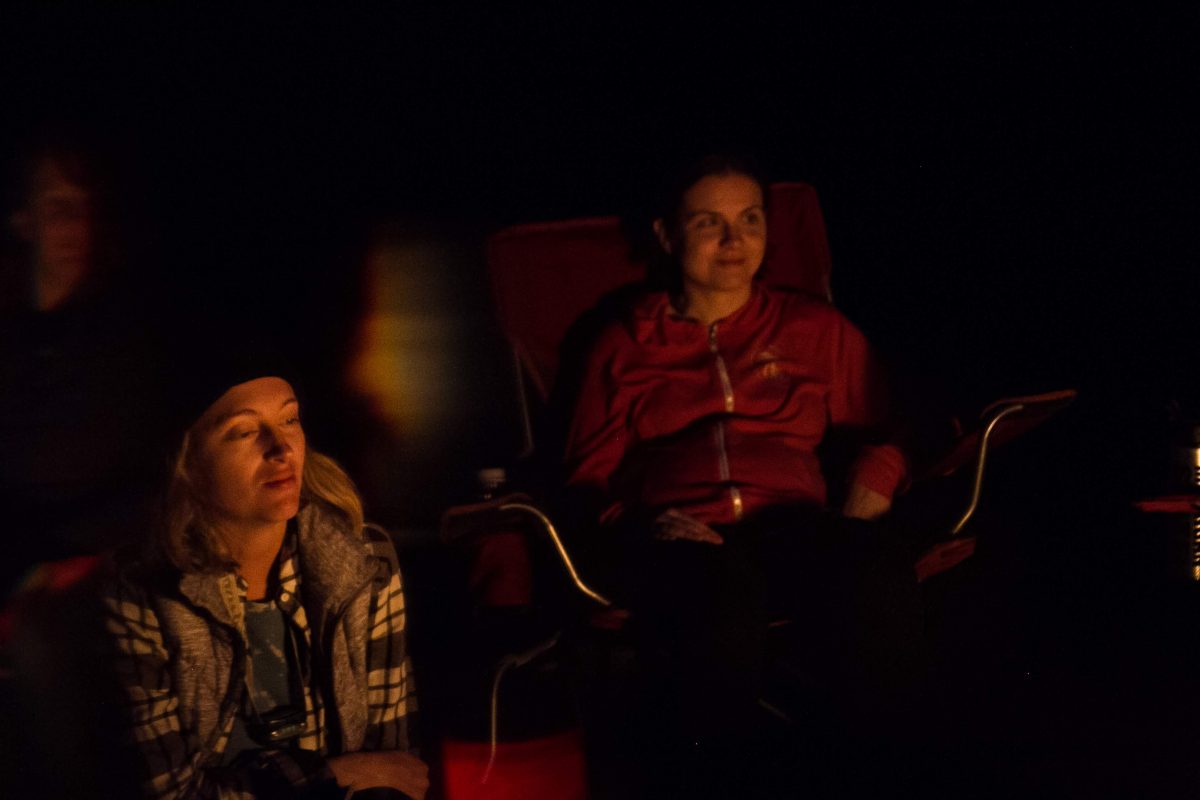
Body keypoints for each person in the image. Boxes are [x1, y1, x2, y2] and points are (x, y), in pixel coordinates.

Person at [563, 156, 925, 787]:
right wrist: (640, 526)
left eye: (749, 219)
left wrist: (874, 481)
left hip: (792, 526)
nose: (734, 241)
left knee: (872, 567)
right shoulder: (622, 344)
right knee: (718, 597)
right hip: (681, 538)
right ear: (667, 235)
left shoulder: (814, 327)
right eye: (709, 222)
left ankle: (879, 771)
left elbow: (894, 428)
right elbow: (585, 476)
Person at [104, 368, 428, 800]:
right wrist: (335, 774)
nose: (282, 450)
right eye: (242, 432)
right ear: (188, 463)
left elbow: (396, 771)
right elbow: (171, 794)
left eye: (289, 420)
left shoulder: (365, 561)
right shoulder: (142, 591)